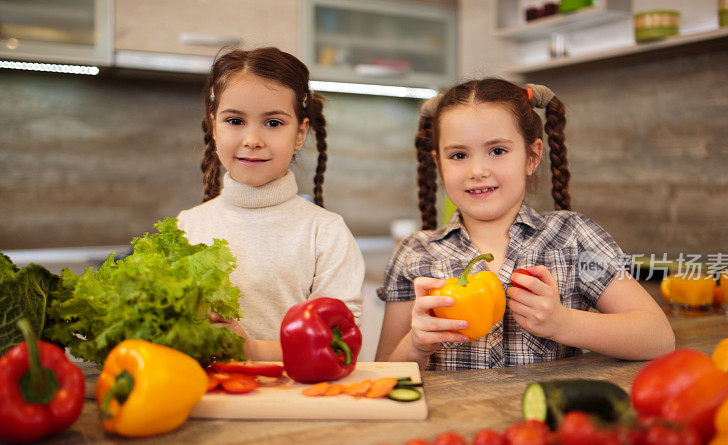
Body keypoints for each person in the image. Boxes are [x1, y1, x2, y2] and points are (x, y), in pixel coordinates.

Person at [375, 78, 674, 370]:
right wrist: (415, 344)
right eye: (459, 155)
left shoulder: (573, 236)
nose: (477, 171)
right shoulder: (415, 252)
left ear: (532, 156)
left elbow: (658, 338)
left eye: (497, 151)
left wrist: (563, 323)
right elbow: (382, 369)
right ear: (438, 164)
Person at [177, 47, 364, 361]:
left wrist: (250, 349)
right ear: (214, 126)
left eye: (273, 123)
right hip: (202, 398)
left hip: (297, 402)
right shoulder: (186, 225)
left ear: (300, 132)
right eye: (235, 120)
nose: (252, 139)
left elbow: (338, 345)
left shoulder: (326, 232)